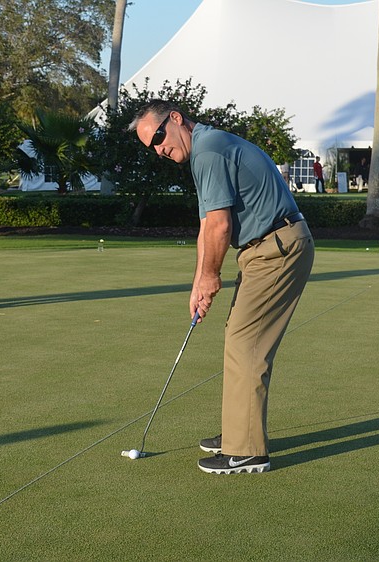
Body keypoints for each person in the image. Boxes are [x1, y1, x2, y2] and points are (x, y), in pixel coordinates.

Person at [129, 99, 313, 474]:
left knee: (247, 342)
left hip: (276, 247)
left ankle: (246, 450)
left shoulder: (208, 150)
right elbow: (206, 226)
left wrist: (211, 277)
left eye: (160, 136)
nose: (160, 149)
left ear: (176, 119)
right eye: (153, 147)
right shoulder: (206, 149)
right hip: (265, 248)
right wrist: (198, 282)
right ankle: (237, 433)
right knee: (239, 337)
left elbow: (220, 227)